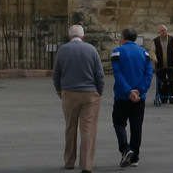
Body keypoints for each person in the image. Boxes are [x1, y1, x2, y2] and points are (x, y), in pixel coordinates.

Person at [53, 24, 105, 173]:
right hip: (90, 94)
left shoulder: (62, 50)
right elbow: (99, 74)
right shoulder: (91, 50)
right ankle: (86, 164)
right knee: (88, 129)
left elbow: (56, 74)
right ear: (83, 37)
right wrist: (99, 92)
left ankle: (69, 161)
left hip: (69, 92)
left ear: (69, 36)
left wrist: (59, 90)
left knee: (70, 127)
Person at [111, 27, 152, 169]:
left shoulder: (117, 52)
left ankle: (125, 148)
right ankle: (135, 156)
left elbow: (118, 74)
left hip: (122, 96)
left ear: (123, 38)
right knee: (136, 126)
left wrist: (128, 91)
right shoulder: (144, 53)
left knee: (119, 123)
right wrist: (139, 91)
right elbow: (148, 74)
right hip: (140, 97)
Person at [150, 25, 173, 102]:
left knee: (172, 81)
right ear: (159, 32)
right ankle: (164, 98)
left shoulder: (172, 39)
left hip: (171, 65)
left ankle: (172, 98)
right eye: (162, 30)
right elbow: (152, 51)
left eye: (165, 30)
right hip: (160, 65)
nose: (164, 32)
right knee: (162, 82)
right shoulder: (155, 41)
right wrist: (154, 58)